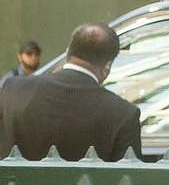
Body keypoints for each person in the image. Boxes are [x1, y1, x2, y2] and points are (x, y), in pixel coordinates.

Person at [0, 20, 144, 162]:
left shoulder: (13, 90)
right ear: (107, 66)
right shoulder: (124, 114)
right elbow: (127, 181)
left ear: (68, 51)